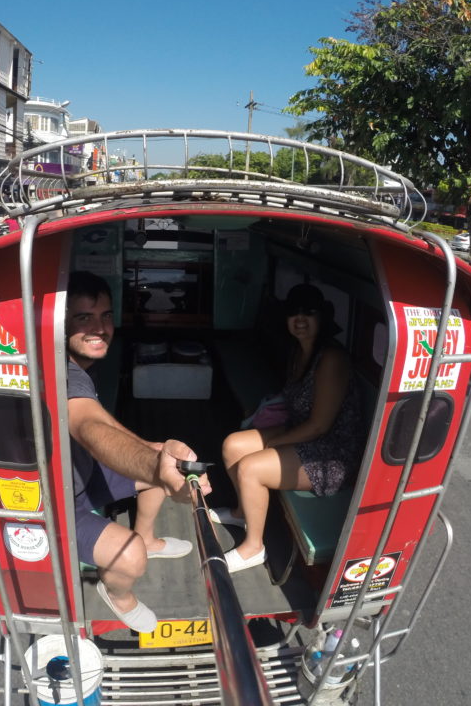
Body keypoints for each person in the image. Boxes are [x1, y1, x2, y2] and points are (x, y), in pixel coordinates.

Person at [65, 271, 208, 632]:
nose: (99, 328)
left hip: (81, 475)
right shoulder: (63, 372)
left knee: (163, 455)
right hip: (58, 501)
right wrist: (153, 464)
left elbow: (99, 419)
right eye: (84, 318)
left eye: (106, 316)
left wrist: (156, 457)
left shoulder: (79, 365)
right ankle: (117, 594)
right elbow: (88, 427)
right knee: (130, 556)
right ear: (61, 324)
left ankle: (147, 535)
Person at [212, 283, 364, 573]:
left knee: (251, 469)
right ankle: (242, 512)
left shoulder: (331, 358)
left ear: (323, 318)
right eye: (294, 313)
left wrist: (274, 443)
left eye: (309, 313)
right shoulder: (298, 351)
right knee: (233, 445)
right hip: (303, 431)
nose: (300, 319)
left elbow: (320, 426)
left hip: (332, 452)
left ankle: (254, 547)